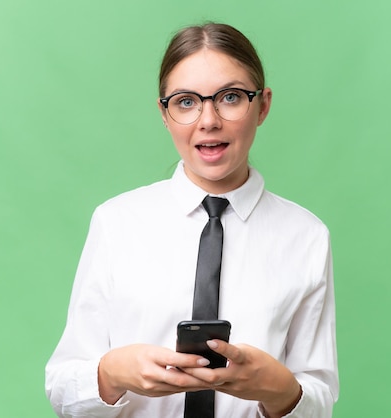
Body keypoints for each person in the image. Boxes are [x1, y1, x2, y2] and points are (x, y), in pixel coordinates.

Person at [45, 22, 339, 418]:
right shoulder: (116, 222)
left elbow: (319, 400)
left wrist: (280, 390)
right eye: (186, 101)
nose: (208, 120)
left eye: (230, 97)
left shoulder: (306, 236)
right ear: (164, 114)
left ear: (263, 105)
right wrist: (111, 374)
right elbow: (63, 388)